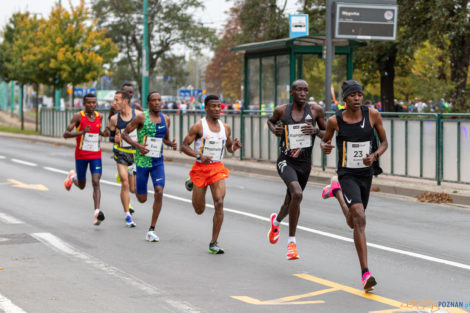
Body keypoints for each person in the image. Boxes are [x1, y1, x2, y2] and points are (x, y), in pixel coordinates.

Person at [320, 80, 388, 292]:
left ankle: (336, 192)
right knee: (359, 216)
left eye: (359, 94)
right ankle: (365, 273)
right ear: (345, 99)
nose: (357, 98)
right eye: (352, 95)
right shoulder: (334, 121)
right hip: (347, 173)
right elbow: (325, 141)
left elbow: (385, 142)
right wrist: (326, 147)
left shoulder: (373, 115)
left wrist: (375, 155)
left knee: (354, 222)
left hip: (366, 174)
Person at [266, 80, 326, 260]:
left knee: (290, 201)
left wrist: (315, 131)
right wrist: (274, 129)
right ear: (292, 92)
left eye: (305, 90)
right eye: (299, 90)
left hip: (304, 164)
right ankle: (291, 243)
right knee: (297, 194)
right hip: (286, 160)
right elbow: (270, 121)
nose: (303, 93)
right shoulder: (282, 110)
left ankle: (276, 222)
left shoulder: (315, 111)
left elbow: (326, 132)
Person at [181, 95, 242, 254]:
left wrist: (234, 147)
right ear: (206, 108)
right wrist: (199, 156)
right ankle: (193, 182)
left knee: (219, 203)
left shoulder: (226, 128)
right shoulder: (198, 127)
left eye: (218, 106)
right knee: (199, 210)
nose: (217, 109)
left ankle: (213, 242)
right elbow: (184, 146)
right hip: (201, 168)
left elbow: (228, 148)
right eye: (213, 106)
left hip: (217, 168)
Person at [122, 92, 177, 242]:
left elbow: (165, 139)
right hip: (142, 162)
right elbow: (124, 134)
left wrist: (170, 144)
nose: (158, 103)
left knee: (159, 191)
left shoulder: (166, 119)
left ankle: (151, 229)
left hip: (157, 162)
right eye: (154, 100)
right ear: (148, 103)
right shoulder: (141, 117)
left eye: (160, 100)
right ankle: (133, 173)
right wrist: (137, 145)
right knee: (142, 199)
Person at [63, 93, 108, 226]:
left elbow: (98, 131)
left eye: (94, 102)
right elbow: (66, 134)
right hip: (81, 156)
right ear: (84, 104)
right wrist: (81, 132)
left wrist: (104, 133)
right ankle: (72, 178)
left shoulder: (100, 116)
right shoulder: (78, 116)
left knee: (96, 181)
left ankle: (97, 213)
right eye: (88, 103)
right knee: (82, 185)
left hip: (95, 155)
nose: (91, 105)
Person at [107, 91, 138, 227]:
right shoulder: (114, 119)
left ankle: (127, 174)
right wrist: (115, 138)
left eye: (117, 100)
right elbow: (110, 137)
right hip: (121, 153)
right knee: (124, 183)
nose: (114, 103)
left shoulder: (138, 115)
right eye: (114, 100)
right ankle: (127, 215)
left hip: (136, 154)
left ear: (125, 101)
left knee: (133, 189)